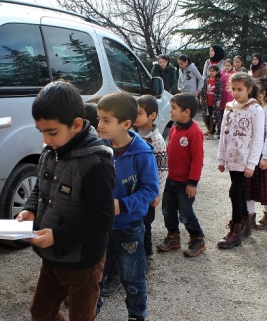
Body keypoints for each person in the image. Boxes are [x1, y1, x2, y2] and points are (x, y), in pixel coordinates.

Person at [16, 80, 115, 321]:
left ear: (76, 125)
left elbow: (102, 219)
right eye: (42, 132)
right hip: (51, 257)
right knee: (40, 312)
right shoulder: (51, 151)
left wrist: (57, 236)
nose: (46, 139)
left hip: (83, 262)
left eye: (52, 132)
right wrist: (30, 209)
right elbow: (42, 185)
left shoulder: (96, 164)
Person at [96, 92, 158, 321]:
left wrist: (122, 205)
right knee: (95, 277)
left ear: (126, 124)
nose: (99, 125)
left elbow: (151, 190)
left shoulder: (143, 153)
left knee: (132, 278)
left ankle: (136, 315)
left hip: (129, 227)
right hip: (99, 228)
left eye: (106, 120)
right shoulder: (97, 148)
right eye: (98, 118)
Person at [216, 73, 264, 248]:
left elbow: (258, 138)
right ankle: (244, 225)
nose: (236, 93)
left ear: (249, 89)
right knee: (238, 192)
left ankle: (236, 229)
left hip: (245, 161)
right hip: (231, 159)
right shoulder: (229, 107)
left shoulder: (255, 109)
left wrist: (252, 163)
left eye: (240, 89)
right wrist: (221, 158)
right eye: (233, 89)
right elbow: (223, 134)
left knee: (235, 192)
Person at [156, 93, 206, 257]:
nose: (170, 111)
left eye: (174, 108)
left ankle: (197, 238)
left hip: (185, 183)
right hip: (171, 180)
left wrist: (192, 183)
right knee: (167, 210)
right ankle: (173, 237)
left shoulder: (195, 132)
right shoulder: (175, 128)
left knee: (185, 213)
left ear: (187, 112)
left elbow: (197, 160)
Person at [135, 95, 167, 262]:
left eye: (139, 113)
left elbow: (162, 169)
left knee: (145, 224)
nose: (135, 117)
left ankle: (147, 254)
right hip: (133, 189)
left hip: (148, 190)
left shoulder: (157, 140)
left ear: (152, 115)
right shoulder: (131, 133)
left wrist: (157, 192)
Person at [248, 77, 267, 230]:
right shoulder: (252, 107)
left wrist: (265, 157)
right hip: (250, 153)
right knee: (249, 186)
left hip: (262, 155)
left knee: (263, 187)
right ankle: (249, 215)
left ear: (263, 93)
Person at [200, 64, 224, 139]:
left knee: (212, 117)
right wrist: (201, 98)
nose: (211, 72)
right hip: (206, 102)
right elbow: (203, 90)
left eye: (213, 71)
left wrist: (219, 100)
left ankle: (211, 133)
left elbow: (220, 92)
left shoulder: (218, 81)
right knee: (204, 116)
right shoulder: (206, 80)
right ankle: (210, 130)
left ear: (217, 72)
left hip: (214, 103)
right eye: (210, 71)